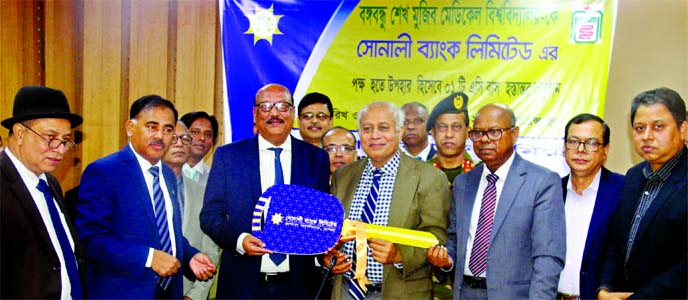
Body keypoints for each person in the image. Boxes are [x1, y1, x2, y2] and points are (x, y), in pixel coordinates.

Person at [76, 95, 216, 299]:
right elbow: (89, 240)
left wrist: (189, 255)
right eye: (152, 126)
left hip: (169, 291)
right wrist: (148, 258)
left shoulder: (167, 174)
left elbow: (167, 232)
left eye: (168, 129)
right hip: (124, 292)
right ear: (130, 128)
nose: (160, 136)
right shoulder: (104, 172)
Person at [200, 83, 330, 299]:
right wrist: (240, 240)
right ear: (254, 113)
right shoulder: (229, 157)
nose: (274, 113)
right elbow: (210, 216)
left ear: (293, 113)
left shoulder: (316, 159)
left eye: (282, 106)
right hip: (242, 285)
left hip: (299, 286)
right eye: (266, 106)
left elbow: (320, 220)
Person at [427, 103, 566, 299]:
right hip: (464, 293)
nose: (484, 140)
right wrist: (447, 260)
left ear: (515, 134)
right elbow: (455, 240)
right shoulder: (464, 182)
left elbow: (548, 257)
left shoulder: (542, 182)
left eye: (494, 132)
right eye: (477, 133)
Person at [325, 101, 451, 299]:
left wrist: (400, 255)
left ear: (400, 131)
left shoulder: (429, 177)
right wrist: (329, 254)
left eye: (383, 128)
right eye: (367, 129)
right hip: (346, 290)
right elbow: (331, 228)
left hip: (399, 291)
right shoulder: (343, 176)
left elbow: (436, 236)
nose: (375, 135)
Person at [598, 87, 687, 299]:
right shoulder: (633, 176)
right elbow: (616, 240)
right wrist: (604, 288)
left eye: (658, 127)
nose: (647, 136)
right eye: (639, 128)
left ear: (683, 129)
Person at [1, 86, 84, 299]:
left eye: (66, 141)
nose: (60, 149)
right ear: (20, 133)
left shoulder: (50, 183)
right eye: (50, 137)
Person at [558, 114, 624, 300]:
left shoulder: (623, 191)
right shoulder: (550, 190)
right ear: (564, 147)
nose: (580, 149)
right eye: (573, 141)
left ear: (605, 150)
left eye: (592, 143)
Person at [162, 121, 220, 300]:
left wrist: (195, 295)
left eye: (186, 139)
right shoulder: (143, 190)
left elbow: (210, 252)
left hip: (187, 291)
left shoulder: (204, 193)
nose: (179, 143)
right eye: (173, 138)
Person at [426, 92, 474, 188]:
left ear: (467, 132)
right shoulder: (421, 173)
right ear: (433, 133)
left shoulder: (480, 172)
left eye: (456, 127)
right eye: (442, 127)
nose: (449, 134)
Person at [180, 111, 218, 185]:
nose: (202, 138)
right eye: (195, 132)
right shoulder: (165, 172)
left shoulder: (215, 179)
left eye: (208, 134)